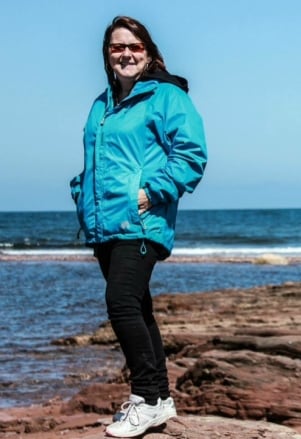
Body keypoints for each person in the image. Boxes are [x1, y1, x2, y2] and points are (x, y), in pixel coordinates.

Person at [69, 15, 207, 438]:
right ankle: (161, 398)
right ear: (107, 55)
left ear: (148, 52)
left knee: (121, 303)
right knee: (139, 308)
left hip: (140, 221)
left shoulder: (167, 97)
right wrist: (81, 193)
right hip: (103, 223)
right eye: (117, 47)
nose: (125, 54)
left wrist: (149, 193)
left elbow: (191, 155)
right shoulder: (101, 104)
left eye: (134, 47)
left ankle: (145, 398)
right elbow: (97, 162)